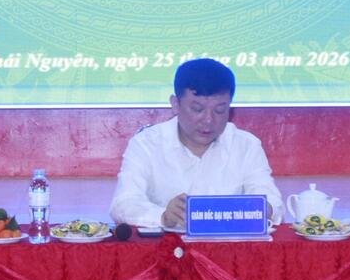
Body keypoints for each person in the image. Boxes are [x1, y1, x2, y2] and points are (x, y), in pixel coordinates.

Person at [110, 58, 282, 232]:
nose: (208, 120)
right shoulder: (146, 144)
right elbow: (123, 204)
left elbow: (273, 203)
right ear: (175, 104)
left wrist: (262, 209)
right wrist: (163, 217)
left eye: (220, 110)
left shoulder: (246, 146)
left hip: (229, 247)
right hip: (166, 248)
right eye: (198, 109)